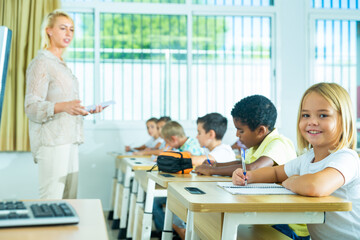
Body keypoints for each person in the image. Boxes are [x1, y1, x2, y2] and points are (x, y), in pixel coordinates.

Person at [233, 83, 360, 240]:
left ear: (343, 120)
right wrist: (248, 176)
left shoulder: (346, 158)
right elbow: (275, 172)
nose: (312, 121)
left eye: (323, 115)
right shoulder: (308, 158)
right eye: (306, 115)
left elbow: (316, 186)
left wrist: (291, 181)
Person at [24, 10, 103, 199]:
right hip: (52, 142)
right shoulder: (42, 63)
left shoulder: (61, 64)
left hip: (70, 139)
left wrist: (84, 109)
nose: (68, 33)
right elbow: (31, 107)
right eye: (63, 28)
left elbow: (67, 105)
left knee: (69, 201)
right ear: (49, 31)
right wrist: (63, 106)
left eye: (72, 29)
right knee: (52, 201)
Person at [195, 95, 297, 177]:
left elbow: (253, 168)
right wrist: (216, 164)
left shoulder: (279, 143)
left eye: (241, 131)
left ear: (260, 131)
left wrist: (213, 170)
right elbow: (243, 164)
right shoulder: (256, 146)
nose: (237, 134)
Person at [152, 120, 203, 238]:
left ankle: (172, 231)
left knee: (168, 202)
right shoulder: (183, 145)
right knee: (158, 201)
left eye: (167, 142)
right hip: (182, 185)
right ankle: (166, 231)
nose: (167, 144)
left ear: (173, 139)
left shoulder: (191, 146)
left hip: (190, 189)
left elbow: (187, 158)